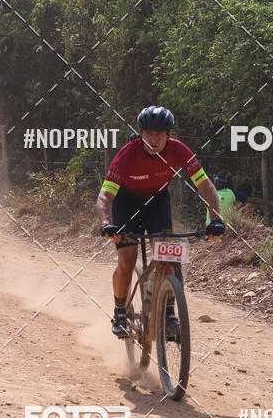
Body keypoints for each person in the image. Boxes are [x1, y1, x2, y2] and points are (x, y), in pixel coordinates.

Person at [96, 105, 225, 337]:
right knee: (127, 259)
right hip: (126, 203)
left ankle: (169, 313)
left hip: (157, 201)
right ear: (140, 132)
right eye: (148, 133)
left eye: (158, 134)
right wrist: (106, 223)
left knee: (169, 256)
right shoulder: (127, 155)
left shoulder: (180, 151)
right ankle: (119, 313)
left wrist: (215, 219)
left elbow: (206, 186)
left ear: (169, 135)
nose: (153, 139)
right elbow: (105, 196)